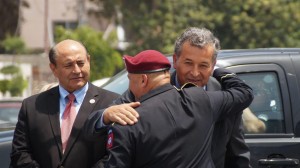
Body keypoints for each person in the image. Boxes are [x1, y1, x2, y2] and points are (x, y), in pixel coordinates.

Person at [85, 49, 253, 167]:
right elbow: (244, 93)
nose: (130, 86)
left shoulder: (128, 121)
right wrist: (219, 72)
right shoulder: (200, 100)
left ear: (143, 79)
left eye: (130, 79)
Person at [10, 39, 119, 168]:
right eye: (69, 65)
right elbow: (20, 154)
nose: (77, 70)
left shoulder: (112, 103)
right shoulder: (33, 106)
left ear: (88, 61)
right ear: (53, 68)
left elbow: (115, 154)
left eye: (81, 63)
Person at [171, 27, 251, 168]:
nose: (195, 73)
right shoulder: (157, 92)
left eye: (203, 65)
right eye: (188, 63)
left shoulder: (228, 95)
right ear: (175, 60)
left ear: (213, 65)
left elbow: (237, 157)